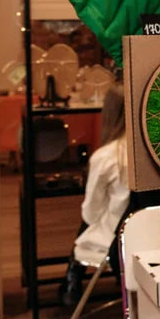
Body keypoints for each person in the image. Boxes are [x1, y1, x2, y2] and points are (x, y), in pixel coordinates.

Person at [59, 81, 130, 306]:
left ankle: (72, 279)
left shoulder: (105, 158)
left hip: (116, 236)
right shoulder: (156, 151)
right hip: (150, 233)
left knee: (88, 219)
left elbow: (90, 214)